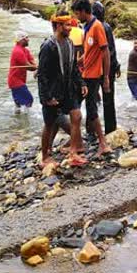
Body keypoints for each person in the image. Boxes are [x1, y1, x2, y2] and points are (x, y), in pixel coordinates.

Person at [37, 14, 88, 168]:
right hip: (52, 92)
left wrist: (81, 83)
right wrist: (46, 97)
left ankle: (73, 153)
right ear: (58, 26)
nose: (70, 28)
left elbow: (73, 68)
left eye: (70, 24)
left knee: (77, 116)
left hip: (68, 88)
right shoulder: (48, 46)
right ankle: (45, 156)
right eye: (67, 25)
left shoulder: (70, 43)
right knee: (49, 123)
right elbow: (42, 74)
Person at [72, 0, 112, 156]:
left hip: (93, 76)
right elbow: (90, 51)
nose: (76, 17)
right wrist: (78, 61)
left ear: (83, 11)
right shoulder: (87, 27)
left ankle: (103, 143)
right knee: (75, 105)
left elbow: (105, 52)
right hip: (85, 73)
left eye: (76, 13)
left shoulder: (97, 27)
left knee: (90, 108)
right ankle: (76, 141)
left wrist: (106, 77)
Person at [92, 0, 121, 134]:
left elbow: (108, 51)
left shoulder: (96, 27)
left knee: (92, 99)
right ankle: (110, 128)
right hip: (107, 69)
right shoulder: (106, 27)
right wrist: (116, 66)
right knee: (108, 100)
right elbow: (112, 51)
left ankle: (91, 128)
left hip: (98, 69)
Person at [8, 31, 38, 112]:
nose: (28, 40)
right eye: (26, 38)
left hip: (19, 80)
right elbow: (29, 67)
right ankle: (25, 119)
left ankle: (18, 120)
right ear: (21, 40)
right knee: (29, 100)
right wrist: (37, 68)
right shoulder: (17, 51)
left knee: (18, 105)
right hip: (15, 82)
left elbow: (32, 61)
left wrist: (35, 66)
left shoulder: (25, 50)